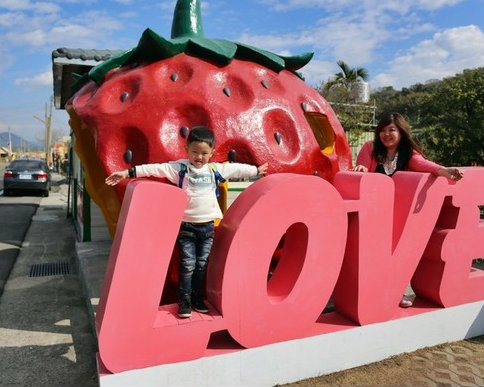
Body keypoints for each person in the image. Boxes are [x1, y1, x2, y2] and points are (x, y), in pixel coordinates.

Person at [105, 126, 268, 318]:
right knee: (188, 265)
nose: (199, 157)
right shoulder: (180, 168)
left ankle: (197, 298)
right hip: (186, 227)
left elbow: (235, 168)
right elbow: (156, 168)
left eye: (205, 153)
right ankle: (185, 300)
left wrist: (256, 170)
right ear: (186, 149)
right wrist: (127, 173)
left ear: (212, 152)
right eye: (195, 152)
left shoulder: (215, 170)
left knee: (201, 265)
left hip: (207, 227)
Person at [352, 112, 464, 308]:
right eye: (383, 130)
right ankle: (368, 293)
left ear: (401, 133)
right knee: (371, 255)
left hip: (398, 214)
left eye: (392, 130)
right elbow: (361, 164)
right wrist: (361, 168)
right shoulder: (370, 148)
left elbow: (422, 164)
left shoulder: (408, 153)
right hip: (372, 214)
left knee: (396, 253)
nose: (387, 134)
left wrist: (443, 171)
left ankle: (396, 292)